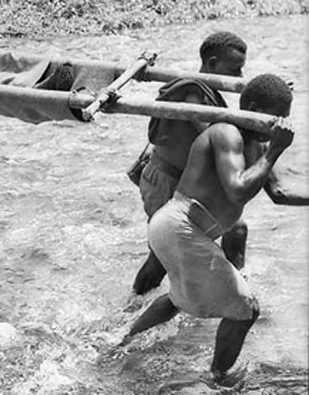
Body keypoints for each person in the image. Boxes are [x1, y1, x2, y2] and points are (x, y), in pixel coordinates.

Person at [125, 73, 294, 386]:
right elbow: (237, 190)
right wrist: (275, 152)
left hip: (183, 229)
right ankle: (218, 379)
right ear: (254, 108)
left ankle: (120, 345)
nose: (280, 125)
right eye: (277, 117)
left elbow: (281, 193)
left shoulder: (254, 145)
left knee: (179, 298)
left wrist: (269, 153)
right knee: (247, 309)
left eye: (285, 118)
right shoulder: (226, 134)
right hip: (181, 225)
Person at [132, 31, 248, 295]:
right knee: (161, 258)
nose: (240, 77)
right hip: (166, 182)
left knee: (237, 229)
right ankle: (133, 305)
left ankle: (234, 291)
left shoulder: (205, 92)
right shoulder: (192, 94)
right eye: (236, 70)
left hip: (188, 185)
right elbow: (215, 135)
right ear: (212, 64)